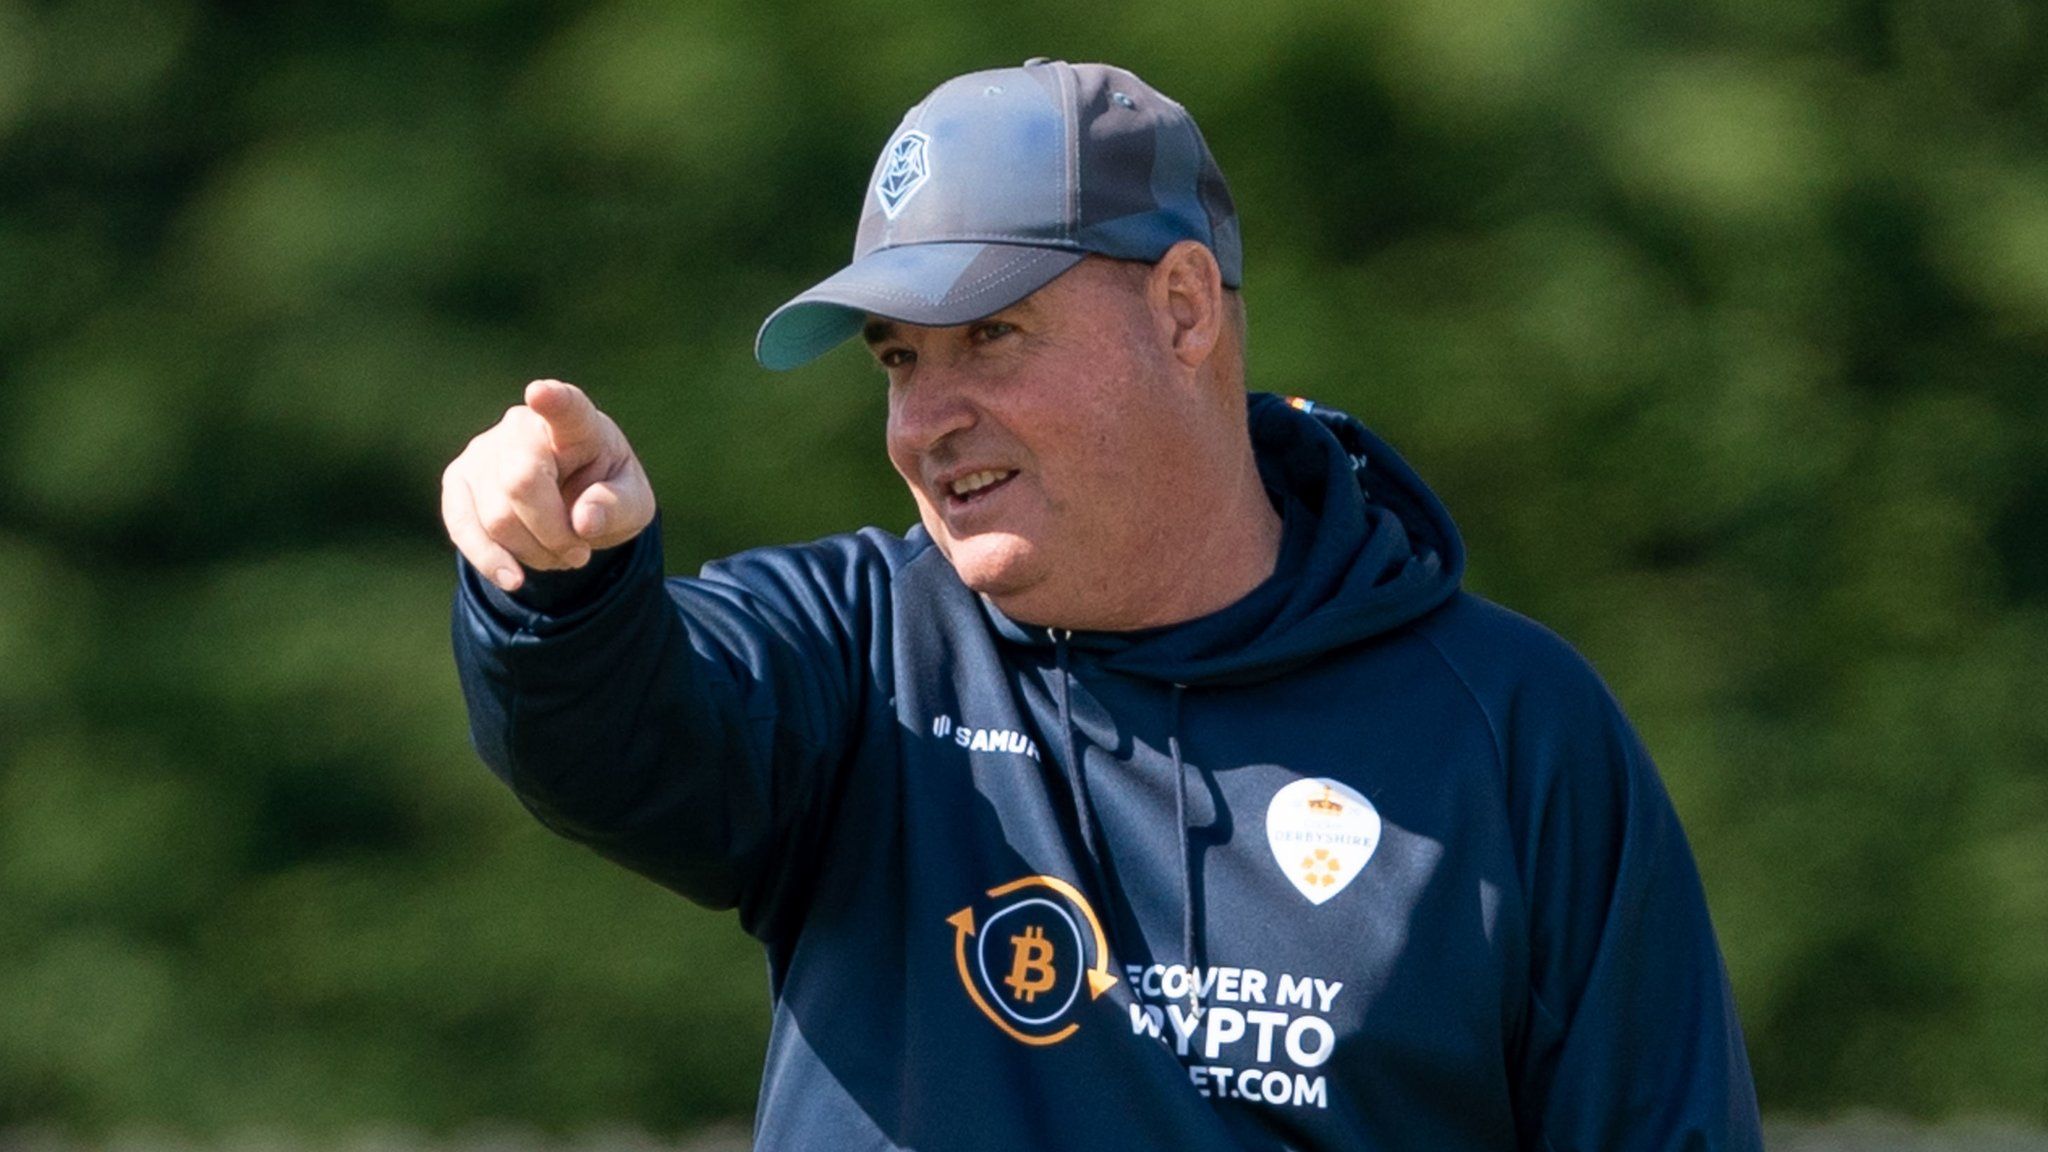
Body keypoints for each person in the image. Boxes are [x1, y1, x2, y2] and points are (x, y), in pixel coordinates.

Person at [444, 59, 1764, 1151]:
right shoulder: (858, 653)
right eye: (899, 360)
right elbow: (616, 735)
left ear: (1185, 311)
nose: (927, 419)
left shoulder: (1517, 733)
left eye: (989, 338)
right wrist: (562, 588)